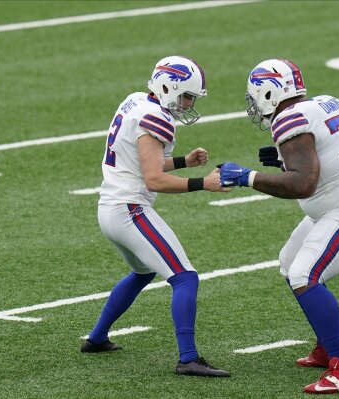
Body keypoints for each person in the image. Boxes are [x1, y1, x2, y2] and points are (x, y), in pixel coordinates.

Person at [219, 58, 339, 394]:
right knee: (290, 263)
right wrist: (285, 160)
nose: (254, 103)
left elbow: (303, 184)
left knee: (304, 275)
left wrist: (247, 177)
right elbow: (327, 152)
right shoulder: (321, 102)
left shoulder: (289, 119)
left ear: (270, 91)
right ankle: (327, 346)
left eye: (256, 94)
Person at [81, 56, 231, 377]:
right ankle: (188, 358)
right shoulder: (156, 117)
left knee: (143, 273)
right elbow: (153, 179)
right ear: (168, 86)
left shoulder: (135, 102)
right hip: (129, 209)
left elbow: (142, 162)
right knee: (185, 277)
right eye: (187, 95)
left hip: (109, 207)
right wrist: (203, 183)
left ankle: (96, 338)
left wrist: (183, 162)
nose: (188, 103)